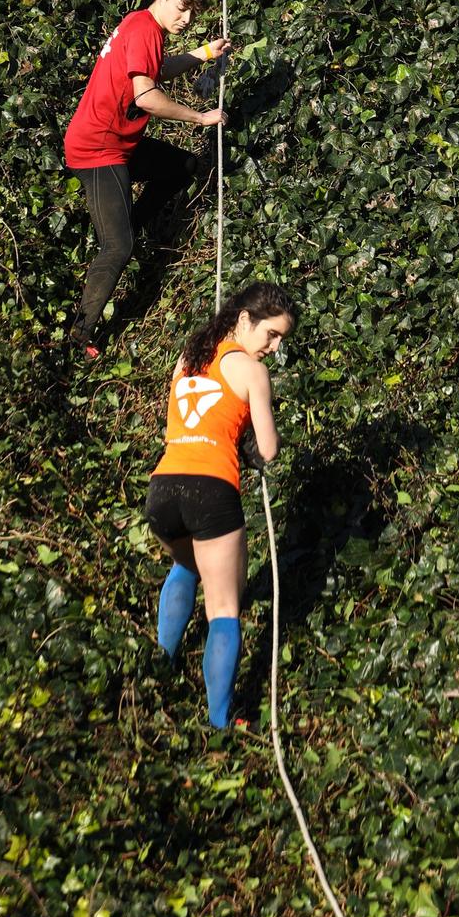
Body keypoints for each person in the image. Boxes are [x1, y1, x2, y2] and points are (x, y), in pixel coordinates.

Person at [146, 281, 294, 728]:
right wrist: (253, 441)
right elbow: (267, 449)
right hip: (210, 489)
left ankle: (160, 676)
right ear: (244, 320)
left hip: (163, 488)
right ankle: (220, 724)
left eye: (281, 339)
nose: (274, 346)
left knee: (185, 568)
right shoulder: (251, 371)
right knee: (225, 607)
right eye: (270, 334)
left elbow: (179, 419)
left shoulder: (187, 359)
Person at [63, 0, 230, 356]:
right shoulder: (143, 31)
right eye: (181, 8)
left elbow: (155, 70)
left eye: (193, 12)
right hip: (97, 149)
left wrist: (202, 54)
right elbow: (146, 97)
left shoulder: (144, 26)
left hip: (120, 144)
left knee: (183, 167)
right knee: (118, 249)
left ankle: (121, 224)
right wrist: (199, 116)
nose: (186, 18)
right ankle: (78, 335)